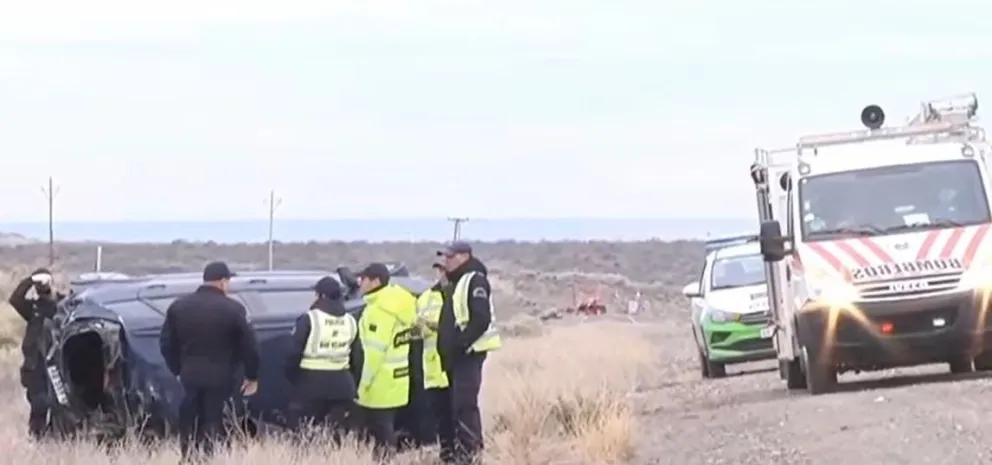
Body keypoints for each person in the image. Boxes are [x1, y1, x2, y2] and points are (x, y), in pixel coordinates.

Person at [159, 261, 261, 462]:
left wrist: (178, 370)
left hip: (190, 377)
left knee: (191, 425)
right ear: (223, 282)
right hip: (224, 379)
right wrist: (252, 376)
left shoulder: (179, 307)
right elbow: (251, 346)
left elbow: (165, 344)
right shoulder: (235, 309)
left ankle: (190, 459)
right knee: (217, 426)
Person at [436, 241, 502, 464]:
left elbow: (481, 318)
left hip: (468, 355)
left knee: (465, 406)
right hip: (456, 357)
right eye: (445, 256)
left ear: (465, 256)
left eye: (450, 256)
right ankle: (459, 453)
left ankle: (469, 455)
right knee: (456, 406)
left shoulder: (475, 279)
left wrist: (460, 344)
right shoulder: (457, 282)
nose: (446, 260)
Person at [284, 276, 362, 442]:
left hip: (311, 385)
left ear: (322, 296)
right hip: (343, 386)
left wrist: (293, 379)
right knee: (336, 437)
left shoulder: (309, 319)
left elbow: (293, 353)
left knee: (303, 435)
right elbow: (357, 358)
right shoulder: (351, 321)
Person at [354, 263, 417, 459]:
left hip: (378, 383)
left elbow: (374, 354)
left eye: (363, 279)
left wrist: (362, 386)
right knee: (386, 429)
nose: (359, 282)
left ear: (375, 282)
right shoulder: (400, 304)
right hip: (397, 380)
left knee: (380, 434)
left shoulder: (379, 311)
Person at [8, 268, 65, 439]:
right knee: (39, 404)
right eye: (39, 285)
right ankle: (37, 438)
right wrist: (30, 280)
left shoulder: (61, 306)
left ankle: (57, 437)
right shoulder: (33, 308)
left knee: (60, 404)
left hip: (56, 364)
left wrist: (49, 286)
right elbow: (15, 299)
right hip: (35, 365)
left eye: (44, 283)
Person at [416, 261, 455, 461]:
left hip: (456, 369)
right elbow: (418, 326)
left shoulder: (459, 295)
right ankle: (446, 455)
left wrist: (441, 327)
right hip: (432, 369)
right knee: (441, 419)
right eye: (439, 269)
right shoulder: (425, 297)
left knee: (459, 416)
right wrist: (422, 328)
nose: (441, 273)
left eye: (445, 268)